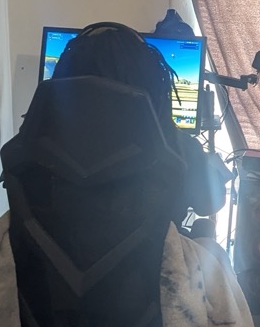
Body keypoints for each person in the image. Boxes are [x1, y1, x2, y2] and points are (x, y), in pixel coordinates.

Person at [51, 22, 232, 225]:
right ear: (153, 86)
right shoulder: (177, 144)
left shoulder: (39, 139)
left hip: (42, 245)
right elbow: (209, 204)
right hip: (150, 247)